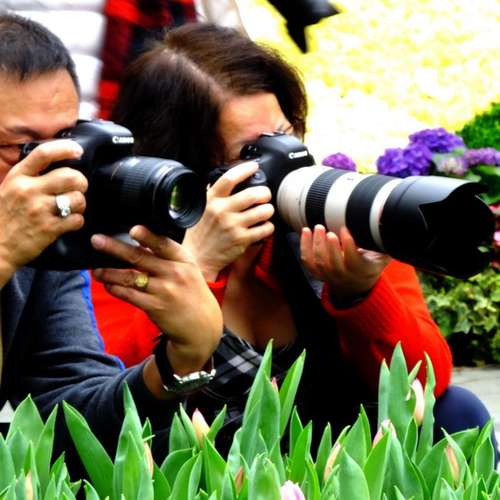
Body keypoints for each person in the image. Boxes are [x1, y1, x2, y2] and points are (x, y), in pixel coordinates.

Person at [92, 22, 498, 455]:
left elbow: (426, 383)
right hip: (206, 467)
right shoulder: (129, 249)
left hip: (337, 463)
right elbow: (113, 410)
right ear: (181, 166)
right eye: (252, 154)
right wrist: (197, 270)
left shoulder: (334, 210)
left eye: (284, 135)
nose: (284, 160)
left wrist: (360, 293)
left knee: (458, 413)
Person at [0, 13, 223, 462]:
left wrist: (181, 360)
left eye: (64, 143)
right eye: (20, 149)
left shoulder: (45, 241)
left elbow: (68, 420)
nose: (50, 173)